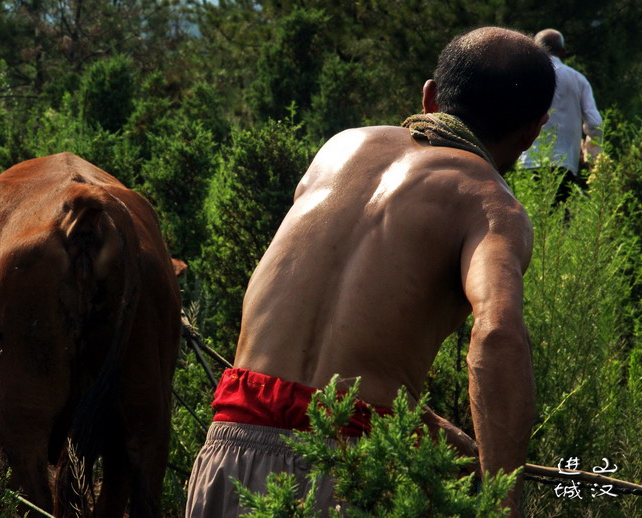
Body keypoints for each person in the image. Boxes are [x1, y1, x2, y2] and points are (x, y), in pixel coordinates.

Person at [186, 27, 555, 518]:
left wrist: (426, 426)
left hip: (231, 451)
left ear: (430, 96)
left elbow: (310, 333)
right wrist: (501, 499)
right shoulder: (491, 206)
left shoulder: (339, 149)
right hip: (348, 476)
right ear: (534, 130)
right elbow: (499, 335)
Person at [519, 28, 603, 202]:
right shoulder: (578, 79)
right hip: (564, 163)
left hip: (528, 161)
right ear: (563, 52)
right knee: (559, 218)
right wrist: (591, 154)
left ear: (534, 49)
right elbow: (595, 124)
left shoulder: (524, 76)